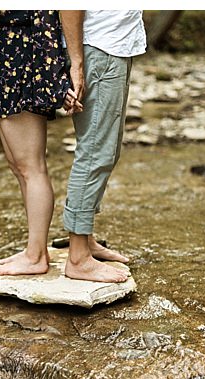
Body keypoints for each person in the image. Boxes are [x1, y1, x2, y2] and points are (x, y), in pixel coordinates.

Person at [0, 10, 82, 276]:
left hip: (22, 69)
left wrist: (56, 82)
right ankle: (35, 249)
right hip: (5, 64)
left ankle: (36, 257)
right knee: (19, 166)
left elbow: (46, 23)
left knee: (32, 167)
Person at [59, 10, 146, 282]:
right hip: (99, 49)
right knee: (96, 152)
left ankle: (86, 240)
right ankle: (78, 258)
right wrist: (76, 63)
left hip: (111, 47)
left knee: (106, 151)